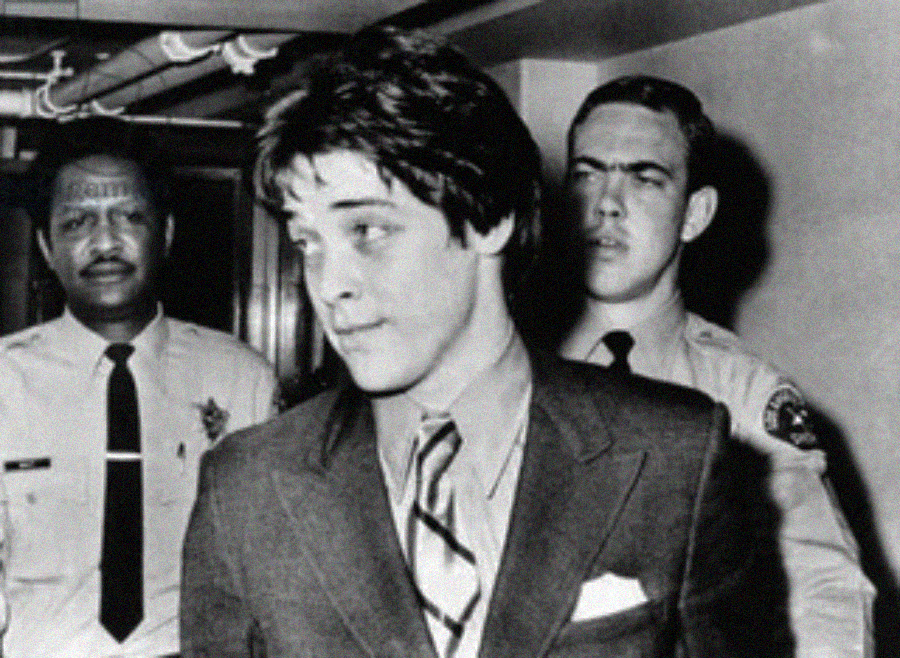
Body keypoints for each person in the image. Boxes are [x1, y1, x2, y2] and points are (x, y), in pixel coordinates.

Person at [180, 26, 793, 657]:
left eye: (367, 230)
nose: (329, 284)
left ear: (489, 218)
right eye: (307, 242)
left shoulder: (674, 456)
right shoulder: (248, 486)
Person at [557, 75, 875, 657]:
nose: (606, 203)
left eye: (644, 178)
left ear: (695, 214)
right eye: (587, 173)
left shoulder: (744, 392)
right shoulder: (506, 361)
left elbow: (824, 583)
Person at [0, 116, 277, 658]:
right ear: (47, 247)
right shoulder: (3, 383)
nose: (105, 242)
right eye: (77, 222)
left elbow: (268, 567)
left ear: (165, 234)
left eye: (129, 217)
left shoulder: (239, 379)